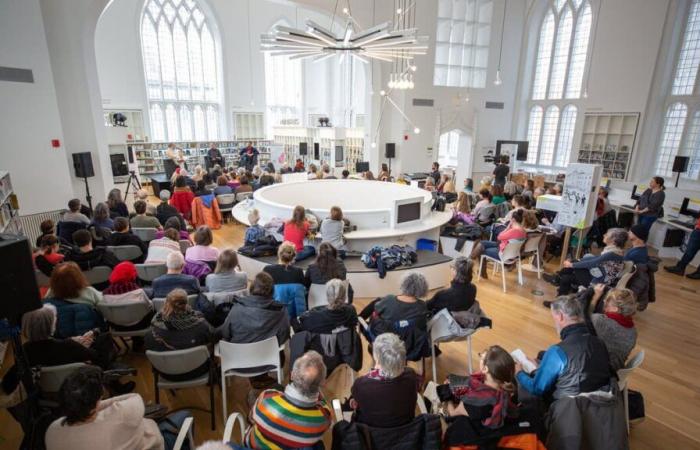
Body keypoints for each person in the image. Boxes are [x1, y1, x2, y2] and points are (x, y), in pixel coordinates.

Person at [44, 366, 166, 450]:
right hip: (155, 443)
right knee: (180, 417)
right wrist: (98, 404)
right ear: (96, 400)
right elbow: (135, 397)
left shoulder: (52, 430)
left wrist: (90, 405)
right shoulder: (121, 415)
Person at [516, 296, 611, 400]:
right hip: (597, 401)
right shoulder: (600, 342)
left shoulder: (557, 352)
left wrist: (519, 373)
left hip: (567, 405)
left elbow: (537, 389)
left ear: (560, 316)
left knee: (519, 383)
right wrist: (538, 371)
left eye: (553, 317)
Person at [245, 351, 331, 449]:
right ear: (322, 384)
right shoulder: (323, 416)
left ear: (292, 375)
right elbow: (322, 404)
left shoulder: (267, 397)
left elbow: (250, 419)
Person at [350, 333, 419, 427]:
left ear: (376, 357)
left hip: (371, 436)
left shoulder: (362, 385)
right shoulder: (411, 375)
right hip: (406, 432)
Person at [146, 289, 215, 380]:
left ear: (166, 303)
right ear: (186, 303)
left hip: (167, 374)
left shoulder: (152, 331)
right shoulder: (201, 325)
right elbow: (212, 338)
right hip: (198, 370)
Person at [444, 345, 517, 432]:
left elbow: (452, 413)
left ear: (485, 369)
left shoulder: (475, 402)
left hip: (472, 430)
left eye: (481, 357)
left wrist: (447, 397)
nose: (480, 357)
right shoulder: (509, 383)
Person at [543, 227, 628, 295]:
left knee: (568, 274)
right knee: (568, 274)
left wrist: (572, 265)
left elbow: (593, 262)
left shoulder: (612, 253)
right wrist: (576, 261)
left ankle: (557, 280)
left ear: (613, 240)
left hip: (598, 281)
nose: (604, 235)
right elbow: (595, 259)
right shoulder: (615, 250)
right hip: (598, 274)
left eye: (607, 234)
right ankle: (557, 280)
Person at [218, 271, 290, 346]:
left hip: (238, 355)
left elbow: (226, 334)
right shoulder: (281, 311)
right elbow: (284, 336)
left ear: (251, 287)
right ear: (272, 291)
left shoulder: (236, 309)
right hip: (269, 355)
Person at [589, 285, 638, 371]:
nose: (604, 302)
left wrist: (595, 297)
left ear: (615, 309)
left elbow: (583, 318)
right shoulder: (633, 332)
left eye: (607, 302)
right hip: (614, 373)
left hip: (594, 371)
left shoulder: (601, 321)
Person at [472, 210, 527, 276]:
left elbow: (499, 237)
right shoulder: (523, 230)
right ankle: (474, 265)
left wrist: (507, 228)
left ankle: (470, 263)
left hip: (503, 254)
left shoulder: (514, 231)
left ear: (513, 219)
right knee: (481, 243)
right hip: (510, 252)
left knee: (481, 248)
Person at [103, 261, 154, 332]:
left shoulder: (105, 295)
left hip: (118, 327)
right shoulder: (138, 292)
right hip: (141, 325)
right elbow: (149, 306)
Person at [292, 279, 357, 333]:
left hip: (319, 347)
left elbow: (300, 330)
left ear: (327, 296)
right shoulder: (351, 311)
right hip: (347, 346)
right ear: (345, 297)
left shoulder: (313, 317)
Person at [665, 212, 700, 279]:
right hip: (698, 230)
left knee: (690, 250)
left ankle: (699, 273)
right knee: (689, 251)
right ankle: (679, 268)